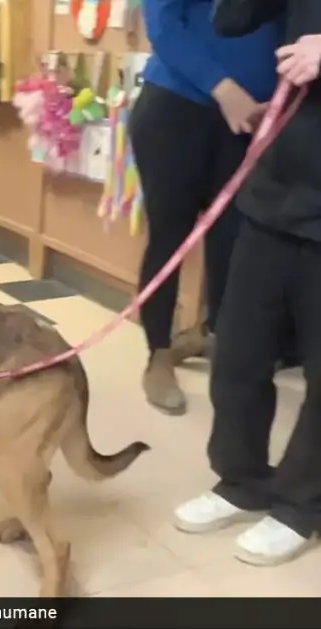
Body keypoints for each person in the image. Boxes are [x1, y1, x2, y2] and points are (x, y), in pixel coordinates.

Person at [173, 0, 321, 566]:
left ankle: (302, 504)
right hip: (278, 189)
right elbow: (232, 20)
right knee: (238, 348)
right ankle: (241, 480)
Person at [129, 0, 281, 415]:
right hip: (176, 110)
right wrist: (223, 88)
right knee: (169, 239)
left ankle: (214, 335)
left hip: (253, 120)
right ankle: (158, 354)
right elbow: (162, 24)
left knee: (233, 244)